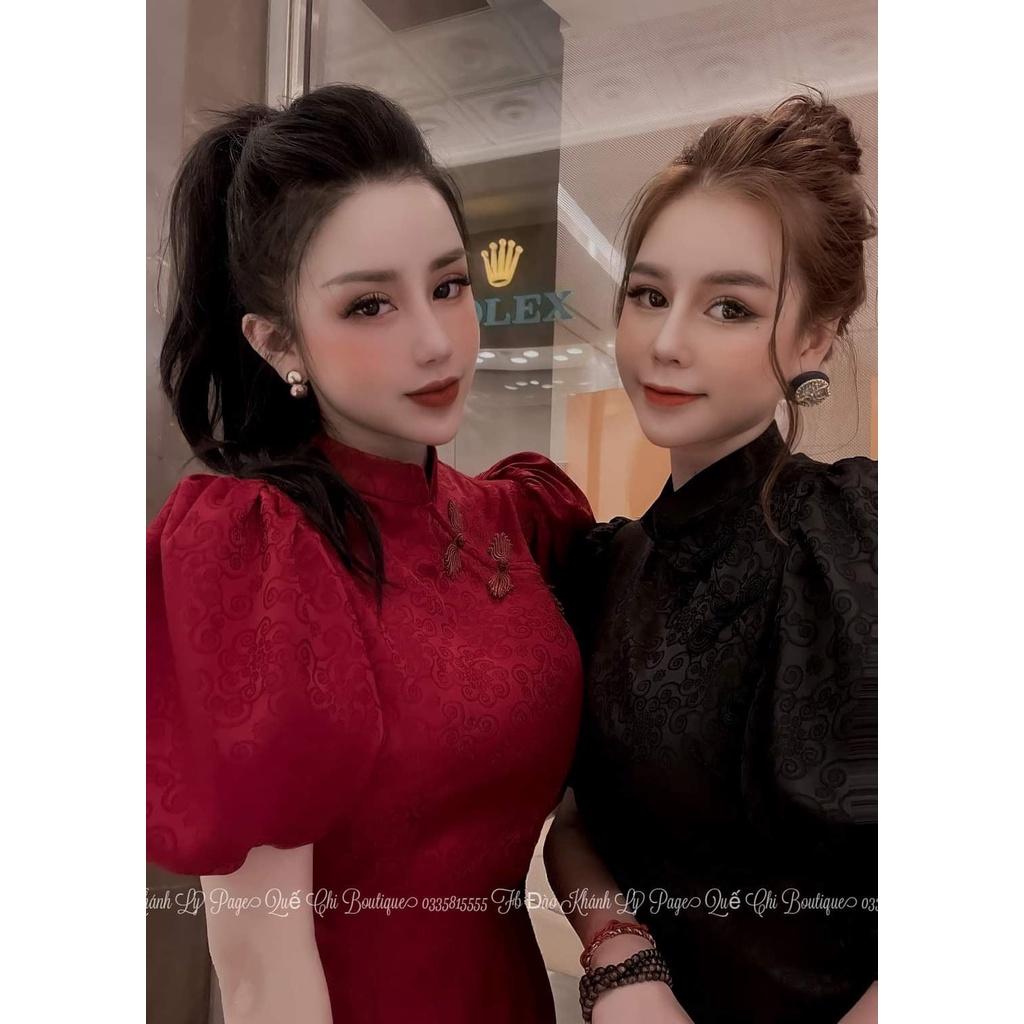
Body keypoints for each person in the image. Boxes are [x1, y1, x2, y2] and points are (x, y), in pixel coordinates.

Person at [147, 83, 593, 1024]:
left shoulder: (520, 519)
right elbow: (263, 974)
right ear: (278, 342)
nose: (435, 342)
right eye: (369, 306)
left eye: (449, 286)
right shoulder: (257, 555)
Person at [544, 92, 878, 1024]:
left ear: (813, 338)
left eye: (729, 307)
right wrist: (621, 957)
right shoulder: (605, 567)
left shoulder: (862, 542)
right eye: (649, 296)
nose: (667, 342)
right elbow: (574, 826)